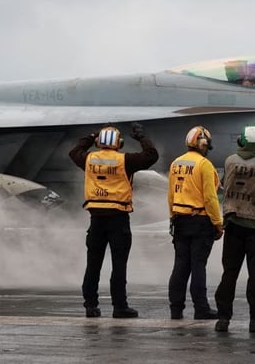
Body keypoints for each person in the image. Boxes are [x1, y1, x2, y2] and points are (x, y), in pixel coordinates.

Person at [69, 122, 158, 318]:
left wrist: (91, 136)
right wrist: (142, 136)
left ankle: (90, 306)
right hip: (118, 219)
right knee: (119, 265)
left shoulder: (88, 159)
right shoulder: (125, 160)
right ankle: (119, 307)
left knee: (93, 265)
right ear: (120, 143)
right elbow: (152, 155)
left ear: (99, 141)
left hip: (96, 220)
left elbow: (74, 151)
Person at [214, 124, 255, 333]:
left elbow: (225, 185)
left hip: (233, 223)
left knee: (230, 272)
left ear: (241, 141)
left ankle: (223, 318)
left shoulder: (229, 160)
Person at [167, 125, 224, 320]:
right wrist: (218, 223)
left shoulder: (176, 163)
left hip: (180, 220)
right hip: (200, 221)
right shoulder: (204, 164)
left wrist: (172, 217)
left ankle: (176, 309)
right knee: (198, 266)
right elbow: (210, 198)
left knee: (180, 266)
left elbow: (171, 195)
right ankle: (201, 309)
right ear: (204, 143)